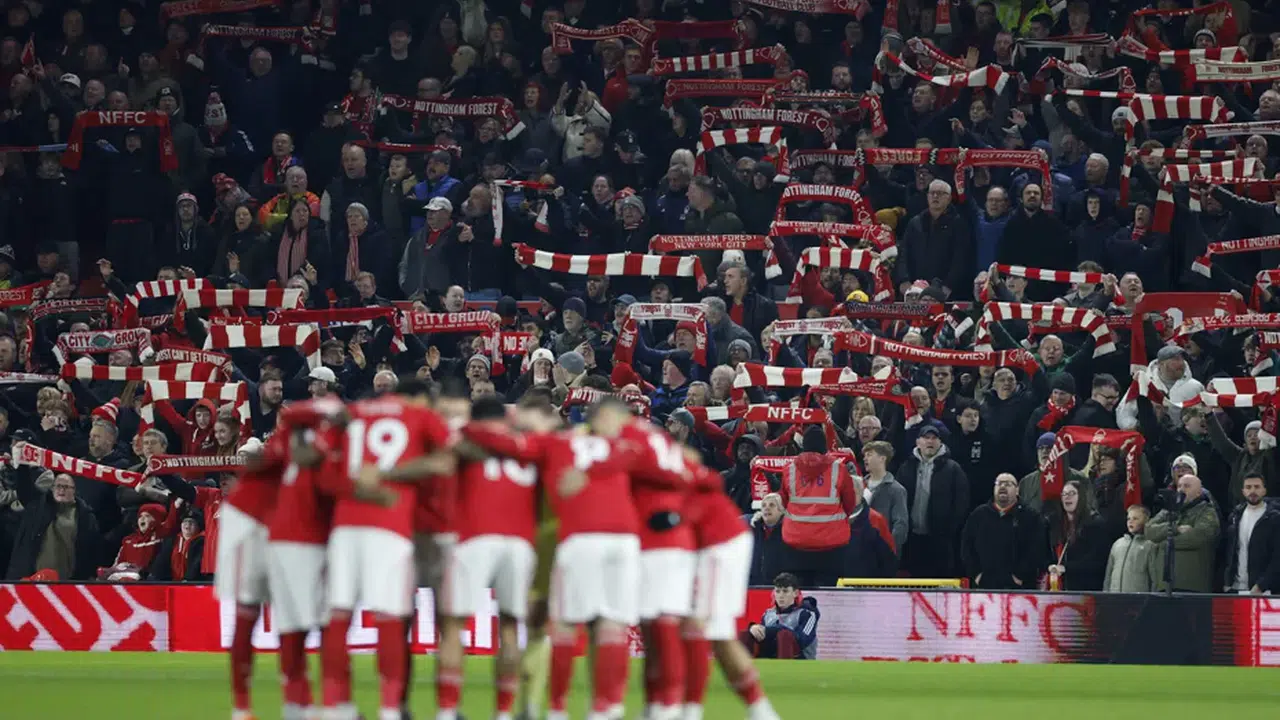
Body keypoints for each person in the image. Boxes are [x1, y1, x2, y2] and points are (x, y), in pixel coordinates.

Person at [324, 380, 456, 720]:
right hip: (391, 525)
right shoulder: (420, 415)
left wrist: (360, 486)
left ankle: (335, 707)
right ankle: (389, 709)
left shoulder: (353, 413)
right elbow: (447, 459)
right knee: (390, 618)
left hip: (345, 524)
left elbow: (326, 472)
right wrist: (392, 475)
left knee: (338, 616)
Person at [437, 394, 538, 720]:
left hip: (475, 536)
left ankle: (447, 711)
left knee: (453, 625)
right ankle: (504, 712)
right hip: (520, 541)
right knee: (509, 628)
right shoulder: (526, 443)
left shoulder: (465, 437)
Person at [777, 426, 860, 587]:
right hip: (831, 545)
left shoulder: (789, 469)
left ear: (804, 445)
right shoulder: (838, 469)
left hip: (796, 543)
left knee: (798, 592)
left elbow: (784, 500)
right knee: (829, 594)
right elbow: (850, 503)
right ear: (824, 446)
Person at [898, 424, 970, 578]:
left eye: (934, 438)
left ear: (940, 442)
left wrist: (949, 529)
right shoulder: (906, 467)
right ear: (918, 442)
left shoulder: (953, 469)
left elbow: (961, 502)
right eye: (926, 438)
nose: (930, 441)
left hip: (940, 540)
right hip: (912, 539)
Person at [960, 473, 1047, 590]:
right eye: (999, 483)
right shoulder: (979, 515)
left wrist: (1020, 576)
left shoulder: (1030, 516)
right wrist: (976, 574)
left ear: (1017, 490)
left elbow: (1037, 549)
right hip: (984, 586)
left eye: (1008, 484)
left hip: (1019, 588)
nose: (1002, 487)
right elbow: (966, 547)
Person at [1145, 474, 1221, 593]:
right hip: (1164, 585)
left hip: (1192, 586)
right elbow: (1149, 530)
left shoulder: (1207, 511)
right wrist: (1175, 528)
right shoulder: (1168, 510)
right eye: (1179, 486)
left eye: (1187, 486)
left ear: (1199, 492)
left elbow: (1199, 536)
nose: (1181, 489)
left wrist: (1164, 543)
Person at [1222, 473, 1280, 595]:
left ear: (1264, 490)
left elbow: (1277, 557)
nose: (1252, 491)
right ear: (1243, 491)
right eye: (1248, 487)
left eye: (1257, 487)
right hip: (1235, 587)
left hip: (1264, 590)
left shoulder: (1274, 518)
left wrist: (1261, 585)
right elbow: (1228, 552)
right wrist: (1227, 581)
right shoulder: (1235, 516)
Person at [739, 573, 819, 660]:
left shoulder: (807, 614)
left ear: (795, 593)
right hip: (772, 655)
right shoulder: (768, 614)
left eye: (785, 591)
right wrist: (753, 628)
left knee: (784, 635)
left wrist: (776, 629)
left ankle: (784, 666)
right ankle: (745, 666)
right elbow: (763, 634)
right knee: (747, 634)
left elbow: (802, 640)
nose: (781, 595)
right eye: (777, 591)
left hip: (801, 660)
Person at [1103, 505, 1159, 593]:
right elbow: (1108, 574)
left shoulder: (1149, 546)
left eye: (1135, 518)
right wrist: (1106, 594)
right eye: (1128, 518)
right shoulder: (1118, 544)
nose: (1130, 521)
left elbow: (1154, 578)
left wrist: (1153, 598)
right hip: (1115, 596)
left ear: (1145, 521)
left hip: (1138, 597)